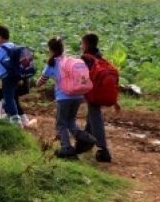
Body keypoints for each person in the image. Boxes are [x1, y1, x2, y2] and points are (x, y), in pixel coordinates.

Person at [36, 36, 97, 159]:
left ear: (50, 50)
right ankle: (87, 138)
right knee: (70, 121)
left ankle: (66, 148)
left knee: (61, 124)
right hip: (78, 96)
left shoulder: (52, 63)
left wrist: (36, 84)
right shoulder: (68, 60)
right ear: (62, 48)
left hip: (64, 97)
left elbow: (42, 80)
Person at [80, 33, 119, 163]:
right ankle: (85, 142)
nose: (81, 46)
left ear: (85, 44)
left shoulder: (85, 59)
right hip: (101, 90)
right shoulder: (99, 57)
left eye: (81, 43)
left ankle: (103, 149)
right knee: (92, 115)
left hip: (93, 92)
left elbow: (81, 78)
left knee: (95, 115)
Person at [0, 40, 36, 126]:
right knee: (14, 101)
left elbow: (2, 74)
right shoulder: (10, 51)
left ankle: (5, 120)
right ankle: (25, 121)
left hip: (6, 84)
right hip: (16, 81)